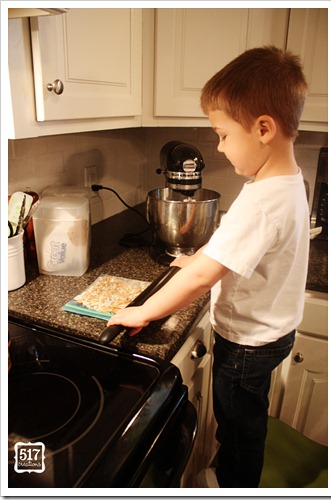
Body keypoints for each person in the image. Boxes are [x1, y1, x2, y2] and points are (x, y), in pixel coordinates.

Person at [107, 46, 310, 488]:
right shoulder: (290, 182)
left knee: (237, 427)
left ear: (262, 129)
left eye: (221, 134)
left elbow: (202, 277)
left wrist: (145, 311)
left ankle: (233, 484)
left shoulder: (259, 201)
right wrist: (203, 255)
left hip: (246, 344)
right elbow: (248, 251)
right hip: (275, 331)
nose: (218, 146)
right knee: (249, 414)